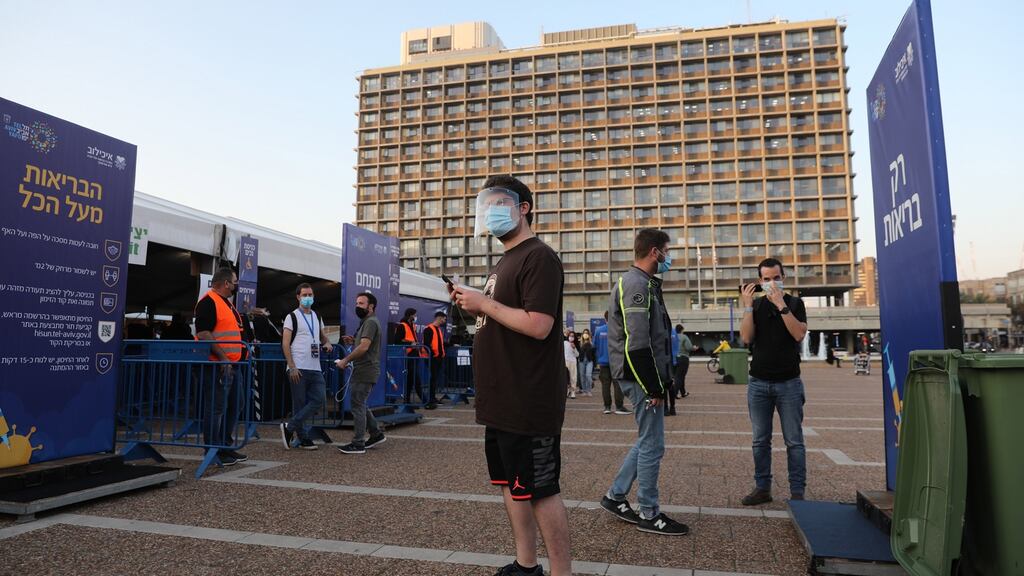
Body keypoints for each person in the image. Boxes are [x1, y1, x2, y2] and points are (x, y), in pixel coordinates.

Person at [450, 175, 571, 576]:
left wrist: (484, 303)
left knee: (540, 489)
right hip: (502, 400)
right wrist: (478, 307)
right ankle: (526, 563)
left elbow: (539, 324)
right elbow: (506, 319)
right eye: (488, 203)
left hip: (528, 398)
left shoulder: (539, 257)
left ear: (524, 208)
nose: (492, 210)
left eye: (502, 202)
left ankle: (561, 571)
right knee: (511, 485)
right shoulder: (506, 260)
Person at [601, 229, 689, 536]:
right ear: (654, 252)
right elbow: (637, 345)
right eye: (667, 250)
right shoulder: (636, 284)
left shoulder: (644, 283)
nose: (669, 256)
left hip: (643, 376)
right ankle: (649, 513)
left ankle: (615, 496)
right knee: (653, 445)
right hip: (639, 377)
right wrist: (654, 386)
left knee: (646, 440)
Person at [739, 257, 809, 505]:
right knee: (760, 440)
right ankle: (762, 488)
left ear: (784, 278)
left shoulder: (795, 303)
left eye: (776, 278)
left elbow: (799, 334)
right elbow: (747, 338)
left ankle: (797, 492)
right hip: (758, 383)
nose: (771, 283)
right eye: (766, 279)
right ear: (760, 280)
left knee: (794, 440)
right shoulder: (755, 307)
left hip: (789, 383)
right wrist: (747, 306)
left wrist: (781, 305)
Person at [194, 267, 248, 466]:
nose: (236, 285)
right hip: (217, 365)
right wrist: (224, 358)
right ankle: (213, 449)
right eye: (234, 281)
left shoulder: (227, 304)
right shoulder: (208, 302)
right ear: (226, 283)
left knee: (237, 404)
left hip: (233, 365)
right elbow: (203, 333)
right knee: (216, 408)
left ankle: (225, 445)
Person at [280, 283, 333, 450]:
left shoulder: (316, 316)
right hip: (298, 366)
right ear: (298, 297)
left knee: (319, 399)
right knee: (299, 403)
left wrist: (328, 343)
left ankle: (289, 428)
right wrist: (292, 366)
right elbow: (285, 343)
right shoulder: (292, 317)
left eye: (310, 294)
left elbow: (322, 337)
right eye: (305, 295)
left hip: (315, 367)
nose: (308, 297)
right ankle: (302, 437)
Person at [334, 292, 387, 455]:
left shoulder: (370, 322)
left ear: (371, 307)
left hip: (365, 370)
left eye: (361, 303)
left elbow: (364, 347)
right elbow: (364, 343)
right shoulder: (368, 322)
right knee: (360, 403)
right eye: (357, 303)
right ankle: (376, 434)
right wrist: (353, 341)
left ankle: (358, 443)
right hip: (365, 370)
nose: (357, 306)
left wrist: (345, 360)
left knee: (357, 405)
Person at [595, 311, 629, 415]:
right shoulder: (619, 329)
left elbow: (595, 346)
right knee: (618, 384)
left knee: (605, 385)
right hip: (617, 361)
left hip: (603, 361)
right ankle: (619, 406)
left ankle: (607, 407)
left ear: (605, 318)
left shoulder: (598, 330)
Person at [396, 307, 426, 405]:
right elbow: (397, 340)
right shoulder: (402, 326)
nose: (416, 317)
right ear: (410, 315)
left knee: (411, 379)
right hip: (408, 354)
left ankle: (407, 401)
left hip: (414, 354)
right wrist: (410, 343)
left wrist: (416, 345)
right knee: (414, 378)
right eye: (414, 315)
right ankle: (424, 400)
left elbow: (413, 339)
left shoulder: (412, 325)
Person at [421, 311, 447, 409]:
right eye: (444, 319)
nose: (444, 321)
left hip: (439, 357)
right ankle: (431, 398)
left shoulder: (439, 329)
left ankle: (432, 397)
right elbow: (427, 344)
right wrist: (432, 354)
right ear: (439, 318)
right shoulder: (429, 329)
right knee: (433, 378)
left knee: (435, 378)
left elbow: (439, 343)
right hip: (432, 357)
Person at [673, 325, 694, 401]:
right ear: (682, 330)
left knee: (677, 376)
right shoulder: (684, 337)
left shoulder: (672, 337)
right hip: (683, 358)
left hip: (673, 358)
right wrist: (694, 348)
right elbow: (689, 347)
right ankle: (674, 393)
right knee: (680, 376)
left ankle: (683, 392)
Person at [577, 330, 595, 397]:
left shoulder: (591, 344)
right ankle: (584, 390)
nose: (585, 335)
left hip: (589, 361)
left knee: (588, 375)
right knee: (582, 376)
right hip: (581, 361)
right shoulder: (580, 343)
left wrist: (595, 363)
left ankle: (589, 390)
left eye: (587, 333)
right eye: (584, 333)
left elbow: (594, 354)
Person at [564, 331, 579, 399]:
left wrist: (574, 348)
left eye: (573, 336)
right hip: (565, 361)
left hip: (573, 362)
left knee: (573, 377)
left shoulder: (576, 344)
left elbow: (577, 355)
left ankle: (573, 392)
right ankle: (567, 390)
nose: (571, 337)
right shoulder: (565, 343)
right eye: (570, 336)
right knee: (566, 377)